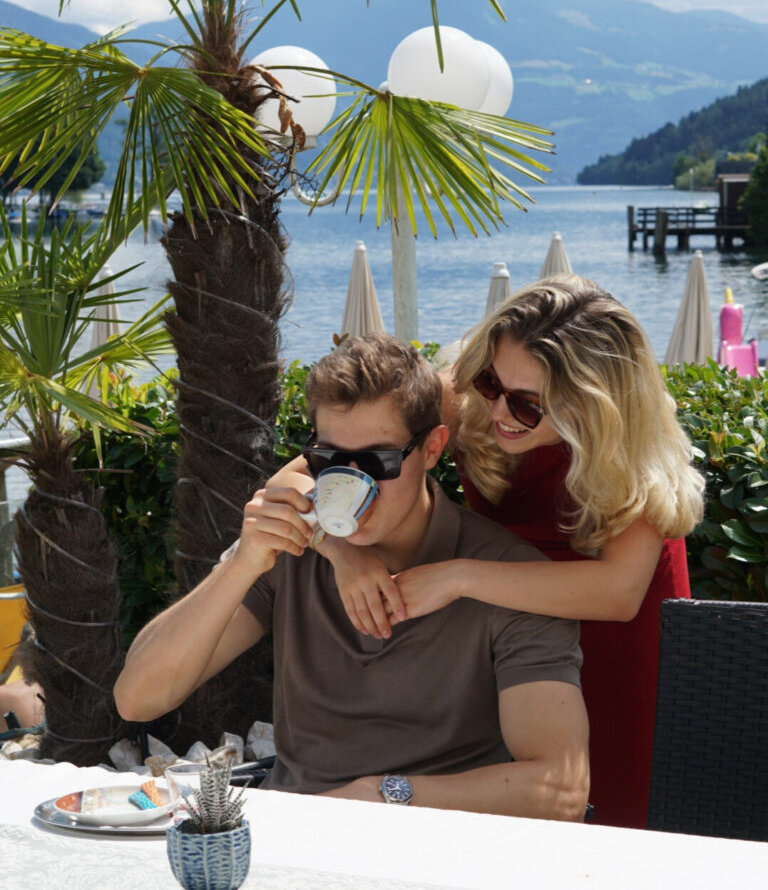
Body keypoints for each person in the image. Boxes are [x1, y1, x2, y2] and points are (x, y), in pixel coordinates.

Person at [115, 333, 589, 820]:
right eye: (329, 460)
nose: (350, 484)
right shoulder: (292, 545)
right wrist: (242, 564)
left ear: (432, 449)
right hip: (293, 833)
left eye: (378, 462)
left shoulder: (505, 577)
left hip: (437, 838)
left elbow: (561, 791)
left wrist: (383, 795)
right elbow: (138, 699)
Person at [316, 279, 704, 830]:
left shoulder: (630, 446)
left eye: (527, 403)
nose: (499, 409)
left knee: (620, 821)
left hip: (621, 651)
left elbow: (619, 594)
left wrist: (458, 577)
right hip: (517, 637)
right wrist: (342, 551)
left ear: (592, 400)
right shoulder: (466, 396)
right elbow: (300, 479)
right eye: (491, 381)